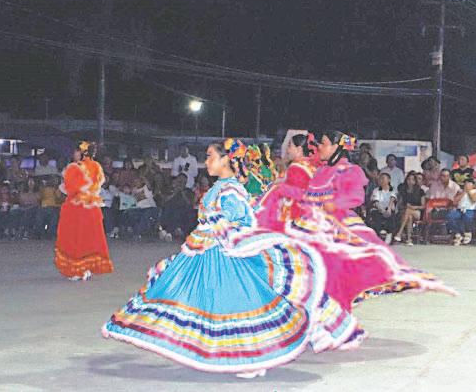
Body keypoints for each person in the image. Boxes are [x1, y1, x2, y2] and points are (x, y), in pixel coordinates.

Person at [102, 139, 361, 379]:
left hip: (224, 255)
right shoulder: (221, 187)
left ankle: (254, 358)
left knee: (237, 306)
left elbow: (243, 221)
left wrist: (219, 226)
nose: (207, 161)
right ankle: (242, 356)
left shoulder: (230, 189)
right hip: (207, 251)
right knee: (196, 299)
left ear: (226, 160)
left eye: (210, 156)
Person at [272, 132, 454, 319]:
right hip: (311, 223)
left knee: (346, 266)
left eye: (324, 143)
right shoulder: (321, 170)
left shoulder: (349, 170)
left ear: (336, 147)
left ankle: (332, 309)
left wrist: (333, 204)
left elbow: (355, 196)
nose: (319, 147)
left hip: (336, 224)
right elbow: (306, 194)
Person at [54, 142, 113, 280]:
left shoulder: (73, 168)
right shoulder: (97, 167)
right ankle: (86, 267)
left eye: (76, 151)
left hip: (77, 208)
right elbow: (98, 186)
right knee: (89, 238)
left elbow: (69, 189)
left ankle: (77, 269)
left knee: (75, 237)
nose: (74, 154)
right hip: (92, 207)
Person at [394, 171, 426, 244]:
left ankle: (399, 233)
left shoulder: (420, 191)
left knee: (408, 211)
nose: (410, 181)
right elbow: (400, 204)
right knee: (409, 216)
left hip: (417, 212)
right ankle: (409, 239)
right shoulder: (403, 190)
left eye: (413, 179)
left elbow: (423, 206)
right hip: (405, 211)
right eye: (409, 179)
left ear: (415, 181)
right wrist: (406, 206)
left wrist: (414, 207)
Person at [366, 172, 398, 243]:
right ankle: (378, 235)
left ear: (389, 180)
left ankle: (389, 234)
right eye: (380, 179)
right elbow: (376, 201)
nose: (381, 180)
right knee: (375, 214)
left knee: (391, 214)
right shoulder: (376, 190)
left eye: (383, 178)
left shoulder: (393, 189)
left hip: (388, 208)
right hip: (379, 208)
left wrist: (388, 209)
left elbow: (392, 199)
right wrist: (383, 211)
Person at [446, 179, 476, 245]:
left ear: (473, 185)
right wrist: (464, 192)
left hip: (470, 210)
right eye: (465, 184)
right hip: (459, 209)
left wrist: (468, 191)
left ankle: (468, 233)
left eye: (468, 184)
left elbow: (474, 199)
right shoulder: (461, 192)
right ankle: (458, 233)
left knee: (467, 216)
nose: (466, 185)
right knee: (450, 216)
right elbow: (454, 202)